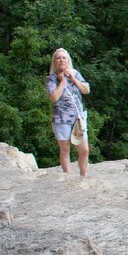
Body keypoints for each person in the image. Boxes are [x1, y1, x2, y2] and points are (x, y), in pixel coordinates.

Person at [46, 48, 91, 177]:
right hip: (61, 118)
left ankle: (83, 176)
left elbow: (86, 90)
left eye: (64, 58)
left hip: (77, 118)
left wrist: (73, 79)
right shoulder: (51, 79)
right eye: (58, 58)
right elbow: (54, 97)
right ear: (54, 62)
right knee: (65, 149)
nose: (61, 60)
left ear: (68, 60)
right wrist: (62, 82)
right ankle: (67, 176)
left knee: (84, 150)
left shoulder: (75, 73)